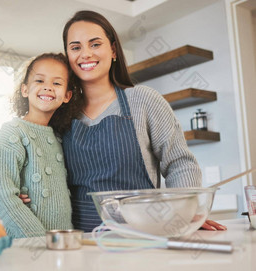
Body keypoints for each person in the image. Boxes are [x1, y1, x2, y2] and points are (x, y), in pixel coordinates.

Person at [60, 10, 226, 232]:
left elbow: (179, 163)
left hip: (144, 235)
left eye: (95, 44)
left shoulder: (143, 99)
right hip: (81, 240)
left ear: (113, 50)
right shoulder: (62, 114)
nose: (86, 54)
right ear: (68, 57)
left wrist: (188, 212)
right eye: (75, 47)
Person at [0, 53, 81, 238]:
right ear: (24, 90)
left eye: (57, 83)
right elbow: (2, 196)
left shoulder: (59, 137)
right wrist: (39, 240)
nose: (48, 87)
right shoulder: (13, 132)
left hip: (61, 244)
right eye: (39, 80)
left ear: (67, 95)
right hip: (29, 248)